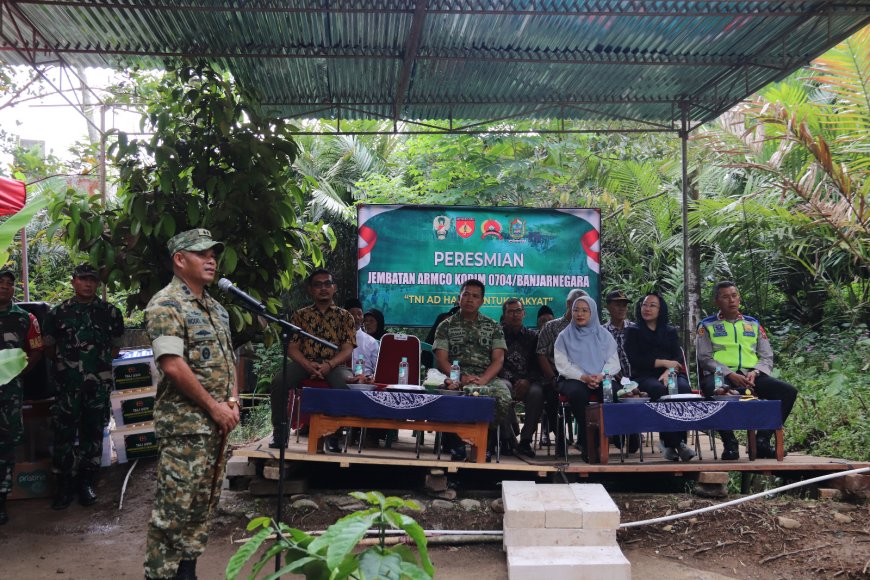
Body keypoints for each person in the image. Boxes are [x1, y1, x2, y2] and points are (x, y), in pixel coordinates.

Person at [143, 229, 239, 580]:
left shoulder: (217, 309)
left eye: (213, 253)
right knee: (174, 511)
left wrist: (231, 401)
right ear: (180, 259)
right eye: (201, 254)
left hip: (216, 427)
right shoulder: (165, 304)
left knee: (202, 508)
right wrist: (214, 407)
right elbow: (172, 365)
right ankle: (159, 575)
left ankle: (187, 572)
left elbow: (229, 359)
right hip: (184, 428)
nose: (211, 259)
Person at [43, 263, 124, 510]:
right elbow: (48, 347)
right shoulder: (58, 313)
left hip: (96, 387)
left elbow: (115, 347)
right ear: (73, 281)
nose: (88, 283)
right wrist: (68, 368)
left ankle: (87, 482)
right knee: (63, 435)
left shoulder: (110, 312)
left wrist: (94, 370)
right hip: (67, 386)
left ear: (97, 284)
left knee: (92, 435)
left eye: (92, 280)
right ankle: (64, 485)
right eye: (83, 279)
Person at [696, 281, 798, 460]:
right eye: (725, 297)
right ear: (716, 302)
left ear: (739, 298)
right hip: (720, 375)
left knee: (788, 392)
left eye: (734, 296)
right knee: (718, 391)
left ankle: (762, 442)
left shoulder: (753, 324)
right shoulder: (707, 325)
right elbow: (704, 358)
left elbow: (767, 356)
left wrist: (756, 371)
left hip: (751, 375)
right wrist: (730, 374)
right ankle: (730, 443)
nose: (731, 300)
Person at [269, 269, 355, 451]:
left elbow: (347, 349)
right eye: (318, 284)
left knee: (346, 386)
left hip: (335, 365)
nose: (323, 288)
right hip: (304, 363)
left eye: (327, 284)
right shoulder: (300, 315)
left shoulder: (345, 317)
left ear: (334, 288)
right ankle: (280, 432)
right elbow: (291, 348)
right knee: (278, 382)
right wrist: (308, 365)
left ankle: (335, 435)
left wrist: (329, 364)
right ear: (310, 289)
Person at [433, 279, 512, 461]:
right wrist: (459, 377)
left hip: (486, 377)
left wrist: (484, 379)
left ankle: (486, 441)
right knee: (450, 395)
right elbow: (442, 359)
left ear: (482, 301)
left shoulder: (492, 326)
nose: (470, 299)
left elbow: (498, 359)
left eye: (475, 296)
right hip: (453, 376)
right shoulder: (446, 325)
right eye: (466, 294)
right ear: (459, 297)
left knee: (503, 397)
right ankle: (456, 443)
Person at [624, 292, 695, 462]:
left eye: (652, 305)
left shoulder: (669, 331)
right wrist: (664, 363)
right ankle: (674, 443)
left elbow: (678, 357)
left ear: (660, 309)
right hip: (644, 375)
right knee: (660, 390)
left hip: (671, 373)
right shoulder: (633, 331)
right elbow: (635, 359)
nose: (647, 308)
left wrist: (670, 371)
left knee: (682, 388)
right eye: (644, 305)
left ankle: (675, 443)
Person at [0, 267, 44, 525]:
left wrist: (16, 374)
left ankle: (2, 500)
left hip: (9, 394)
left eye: (9, 283)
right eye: (0, 282)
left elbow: (36, 351)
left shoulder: (25, 318)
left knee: (5, 445)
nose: (5, 286)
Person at [554, 296, 620, 460]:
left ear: (593, 313)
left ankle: (610, 436)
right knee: (578, 394)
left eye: (584, 310)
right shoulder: (564, 336)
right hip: (573, 379)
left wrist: (600, 376)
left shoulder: (604, 335)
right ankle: (586, 441)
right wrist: (582, 377)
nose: (579, 314)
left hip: (600, 377)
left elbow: (614, 363)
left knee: (613, 392)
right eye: (576, 310)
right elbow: (563, 365)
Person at [535, 288, 588, 446]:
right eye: (576, 305)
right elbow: (541, 354)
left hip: (584, 377)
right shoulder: (551, 327)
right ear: (568, 304)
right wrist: (551, 377)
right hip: (557, 377)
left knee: (602, 392)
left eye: (584, 306)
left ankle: (589, 439)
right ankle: (558, 436)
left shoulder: (590, 329)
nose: (580, 310)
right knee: (552, 394)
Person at [499, 298, 545, 458]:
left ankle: (525, 440)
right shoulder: (497, 336)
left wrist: (528, 381)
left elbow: (538, 364)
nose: (514, 315)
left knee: (537, 392)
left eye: (518, 311)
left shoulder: (533, 337)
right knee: (502, 389)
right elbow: (496, 363)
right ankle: (507, 439)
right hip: (505, 379)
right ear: (504, 316)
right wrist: (513, 381)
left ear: (524, 313)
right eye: (510, 312)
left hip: (528, 381)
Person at [603, 290, 635, 378]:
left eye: (624, 305)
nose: (622, 308)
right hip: (613, 378)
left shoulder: (635, 329)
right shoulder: (602, 332)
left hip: (638, 377)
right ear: (608, 307)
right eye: (618, 305)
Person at [345, 299, 379, 382]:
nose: (356, 317)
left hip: (364, 384)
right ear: (344, 315)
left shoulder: (371, 342)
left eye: (359, 314)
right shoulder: (335, 338)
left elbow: (378, 371)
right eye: (352, 314)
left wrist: (368, 379)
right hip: (341, 381)